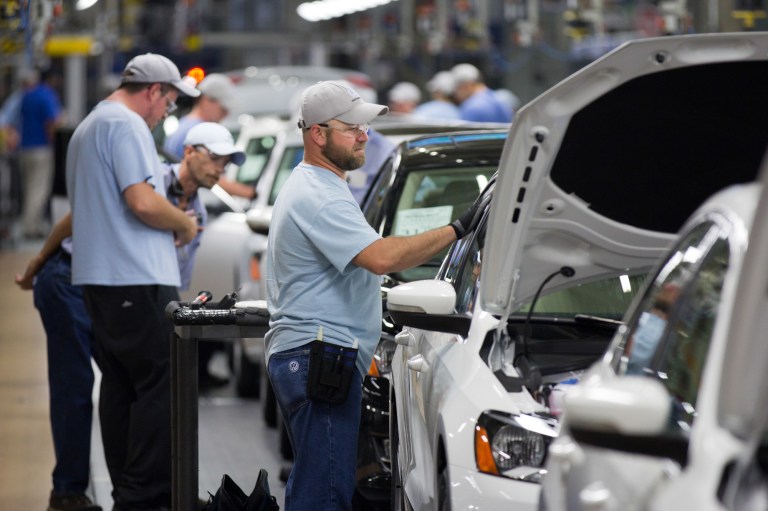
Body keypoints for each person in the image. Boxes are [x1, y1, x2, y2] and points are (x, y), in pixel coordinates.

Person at [264, 80, 483, 510]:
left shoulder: (322, 186)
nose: (365, 136)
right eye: (353, 128)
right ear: (318, 134)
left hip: (318, 356)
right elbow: (382, 258)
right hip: (318, 358)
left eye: (366, 128)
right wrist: (458, 229)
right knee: (324, 497)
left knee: (320, 486)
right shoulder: (319, 195)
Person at [14, 120, 244, 510]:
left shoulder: (197, 213)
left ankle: (135, 490)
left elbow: (173, 276)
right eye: (215, 157)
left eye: (227, 161)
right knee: (82, 381)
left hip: (119, 288)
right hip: (71, 274)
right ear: (190, 152)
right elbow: (78, 217)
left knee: (125, 377)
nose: (221, 167)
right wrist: (39, 260)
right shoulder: (147, 178)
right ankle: (74, 491)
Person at [65, 52, 200, 511]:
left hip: (102, 281)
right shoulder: (126, 126)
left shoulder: (90, 125)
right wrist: (183, 224)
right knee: (162, 383)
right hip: (134, 276)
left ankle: (129, 491)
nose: (169, 112)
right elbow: (142, 201)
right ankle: (145, 496)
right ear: (152, 91)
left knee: (124, 386)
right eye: (170, 101)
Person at [163, 72, 255, 200]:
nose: (226, 114)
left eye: (224, 162)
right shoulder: (196, 132)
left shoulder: (185, 125)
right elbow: (207, 174)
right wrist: (251, 193)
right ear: (206, 100)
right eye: (223, 109)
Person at [18, 68, 63, 239]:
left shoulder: (27, 95)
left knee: (28, 188)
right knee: (38, 190)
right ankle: (31, 228)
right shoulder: (47, 95)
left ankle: (28, 223)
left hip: (25, 147)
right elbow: (53, 122)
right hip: (41, 147)